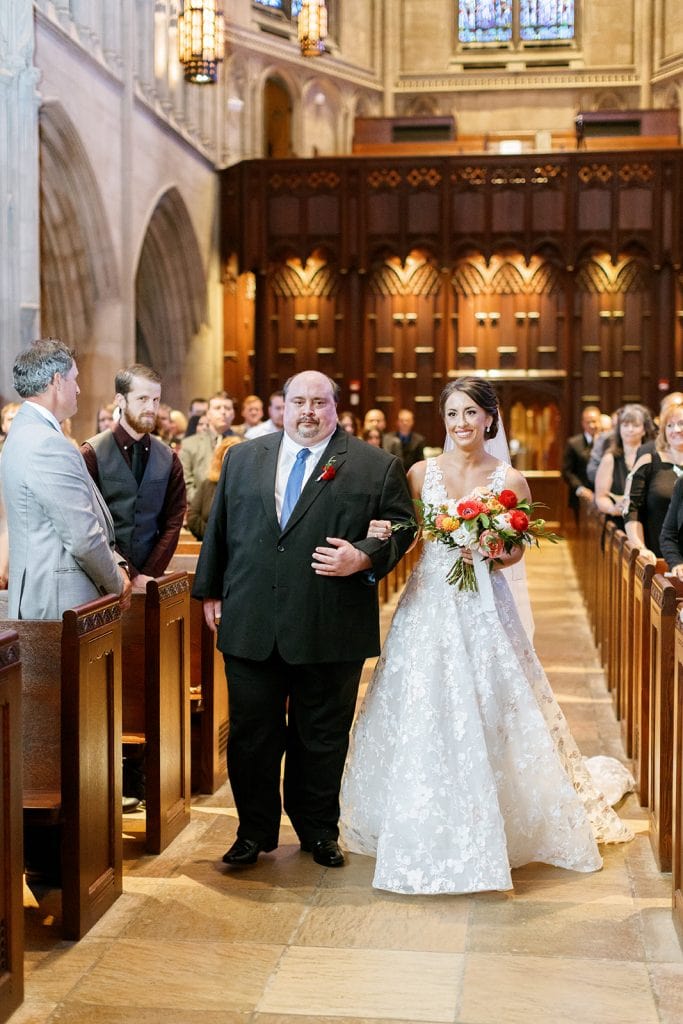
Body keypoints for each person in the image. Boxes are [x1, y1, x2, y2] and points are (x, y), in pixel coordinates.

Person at [340, 376, 632, 895]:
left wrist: (496, 548)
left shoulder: (511, 480)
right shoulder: (419, 473)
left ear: (490, 419)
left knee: (492, 704)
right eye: (452, 414)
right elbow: (407, 535)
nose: (461, 424)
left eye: (471, 413)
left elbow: (516, 550)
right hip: (428, 604)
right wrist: (381, 537)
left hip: (483, 604)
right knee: (423, 702)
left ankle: (500, 813)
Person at [192, 370, 415, 869]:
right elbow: (220, 529)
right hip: (251, 617)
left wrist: (362, 555)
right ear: (283, 407)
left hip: (329, 622)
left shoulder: (374, 465)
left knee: (322, 734)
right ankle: (253, 831)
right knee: (252, 734)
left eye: (319, 402)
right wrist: (208, 590)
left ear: (335, 408)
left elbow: (402, 526)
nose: (308, 411)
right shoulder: (244, 459)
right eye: (298, 402)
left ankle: (318, 830)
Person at [1, 338, 131, 618]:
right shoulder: (46, 442)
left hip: (49, 595)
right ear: (57, 381)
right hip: (62, 601)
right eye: (75, 379)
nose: (79, 388)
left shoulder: (24, 432)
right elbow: (82, 536)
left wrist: (116, 562)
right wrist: (116, 581)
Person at [81, 364, 186, 593]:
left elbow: (173, 520)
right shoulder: (91, 453)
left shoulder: (169, 457)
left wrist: (148, 573)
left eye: (156, 400)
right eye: (142, 399)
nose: (151, 408)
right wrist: (127, 571)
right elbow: (88, 521)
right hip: (101, 579)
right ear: (120, 400)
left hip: (150, 580)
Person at [624, 400, 683, 562]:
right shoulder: (649, 460)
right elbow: (631, 508)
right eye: (670, 426)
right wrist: (640, 547)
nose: (676, 430)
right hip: (658, 557)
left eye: (681, 424)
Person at [594, 404, 655, 532]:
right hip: (618, 525)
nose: (630, 430)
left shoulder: (653, 457)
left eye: (635, 425)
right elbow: (600, 497)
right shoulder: (610, 458)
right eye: (625, 425)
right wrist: (613, 509)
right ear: (619, 429)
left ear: (644, 430)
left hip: (648, 523)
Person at [179, 391, 236, 502]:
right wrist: (202, 504)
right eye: (217, 408)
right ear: (208, 414)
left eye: (228, 408)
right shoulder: (189, 444)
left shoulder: (244, 443)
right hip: (200, 509)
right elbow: (185, 483)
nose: (223, 412)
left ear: (233, 414)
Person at [187, 435, 242, 540]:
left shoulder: (250, 486)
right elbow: (193, 517)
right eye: (227, 457)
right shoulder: (208, 484)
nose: (232, 461)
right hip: (208, 544)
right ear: (220, 459)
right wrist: (214, 537)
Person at [562, 405, 601, 522]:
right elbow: (567, 472)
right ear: (583, 423)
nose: (592, 425)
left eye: (595, 422)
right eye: (588, 422)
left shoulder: (606, 443)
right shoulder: (573, 443)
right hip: (580, 498)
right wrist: (580, 488)